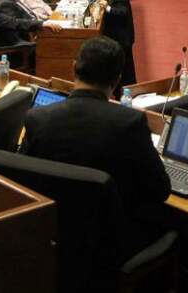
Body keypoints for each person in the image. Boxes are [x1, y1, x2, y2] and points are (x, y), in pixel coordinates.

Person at [20, 37, 170, 248]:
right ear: (117, 80)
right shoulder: (129, 123)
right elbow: (160, 190)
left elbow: (23, 175)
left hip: (50, 235)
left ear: (74, 68)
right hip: (112, 244)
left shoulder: (37, 118)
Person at [96, 0, 136, 90]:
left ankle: (126, 90)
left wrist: (107, 7)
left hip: (122, 38)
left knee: (125, 67)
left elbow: (122, 13)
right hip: (118, 34)